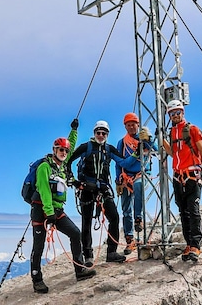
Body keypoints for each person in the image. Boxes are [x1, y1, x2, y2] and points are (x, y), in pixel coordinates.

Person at [29, 136, 97, 293]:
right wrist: (49, 212)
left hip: (57, 209)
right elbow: (44, 190)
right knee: (38, 245)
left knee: (75, 233)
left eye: (66, 150)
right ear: (54, 150)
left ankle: (80, 270)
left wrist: (74, 131)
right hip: (41, 210)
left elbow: (71, 145)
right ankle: (37, 279)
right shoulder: (44, 167)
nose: (64, 152)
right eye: (61, 149)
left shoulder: (62, 167)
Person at [68, 120, 129, 264]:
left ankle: (112, 253)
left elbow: (124, 162)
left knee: (114, 217)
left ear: (107, 134)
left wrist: (140, 150)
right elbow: (68, 161)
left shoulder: (109, 149)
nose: (101, 135)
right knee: (87, 221)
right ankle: (88, 255)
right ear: (94, 133)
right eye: (98, 133)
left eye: (104, 133)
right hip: (86, 188)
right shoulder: (86, 147)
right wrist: (75, 182)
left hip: (103, 188)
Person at [161, 100, 202, 262]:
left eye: (178, 113)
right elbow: (171, 152)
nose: (175, 116)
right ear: (169, 116)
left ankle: (196, 245)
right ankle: (189, 244)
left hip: (192, 176)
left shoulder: (193, 129)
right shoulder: (172, 132)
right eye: (172, 113)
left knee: (193, 210)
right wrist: (161, 139)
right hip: (178, 177)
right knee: (183, 212)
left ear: (182, 113)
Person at [115, 112, 157, 255]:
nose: (131, 127)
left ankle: (138, 218)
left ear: (138, 125)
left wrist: (150, 139)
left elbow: (157, 150)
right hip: (126, 176)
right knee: (126, 209)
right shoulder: (122, 143)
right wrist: (118, 178)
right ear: (125, 126)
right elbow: (119, 163)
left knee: (139, 186)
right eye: (128, 125)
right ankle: (129, 240)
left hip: (142, 174)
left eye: (133, 124)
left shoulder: (143, 139)